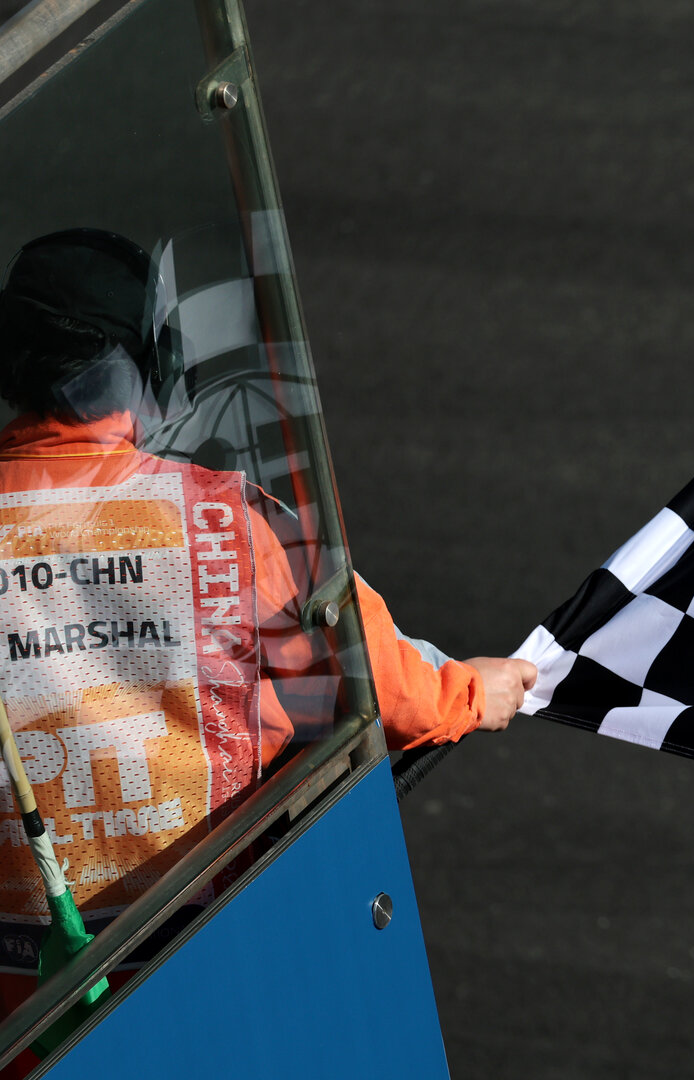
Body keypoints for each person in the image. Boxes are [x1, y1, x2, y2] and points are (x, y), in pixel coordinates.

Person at [0, 228, 535, 1036]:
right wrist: (472, 693)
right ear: (151, 367)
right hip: (209, 977)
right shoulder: (227, 518)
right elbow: (390, 693)